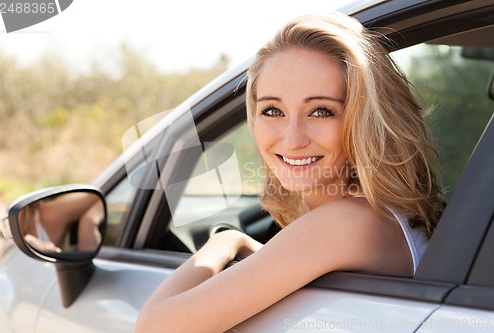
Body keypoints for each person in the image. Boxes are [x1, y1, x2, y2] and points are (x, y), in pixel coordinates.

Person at [135, 13, 443, 333]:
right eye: (273, 110)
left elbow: (154, 327)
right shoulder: (380, 216)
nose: (292, 138)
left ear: (365, 120)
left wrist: (225, 240)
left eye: (321, 111)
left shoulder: (348, 222)